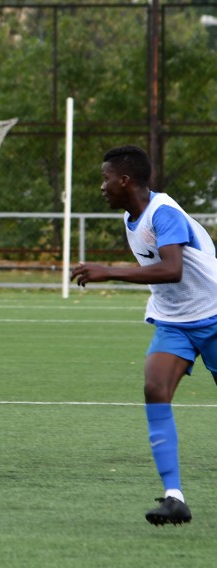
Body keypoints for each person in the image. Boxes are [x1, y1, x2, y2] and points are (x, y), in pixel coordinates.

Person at [70, 145, 217, 526]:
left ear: (124, 180)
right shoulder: (131, 216)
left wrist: (109, 271)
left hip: (215, 316)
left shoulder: (164, 213)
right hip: (174, 321)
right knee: (155, 389)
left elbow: (172, 270)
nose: (101, 186)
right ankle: (174, 498)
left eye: (105, 179)